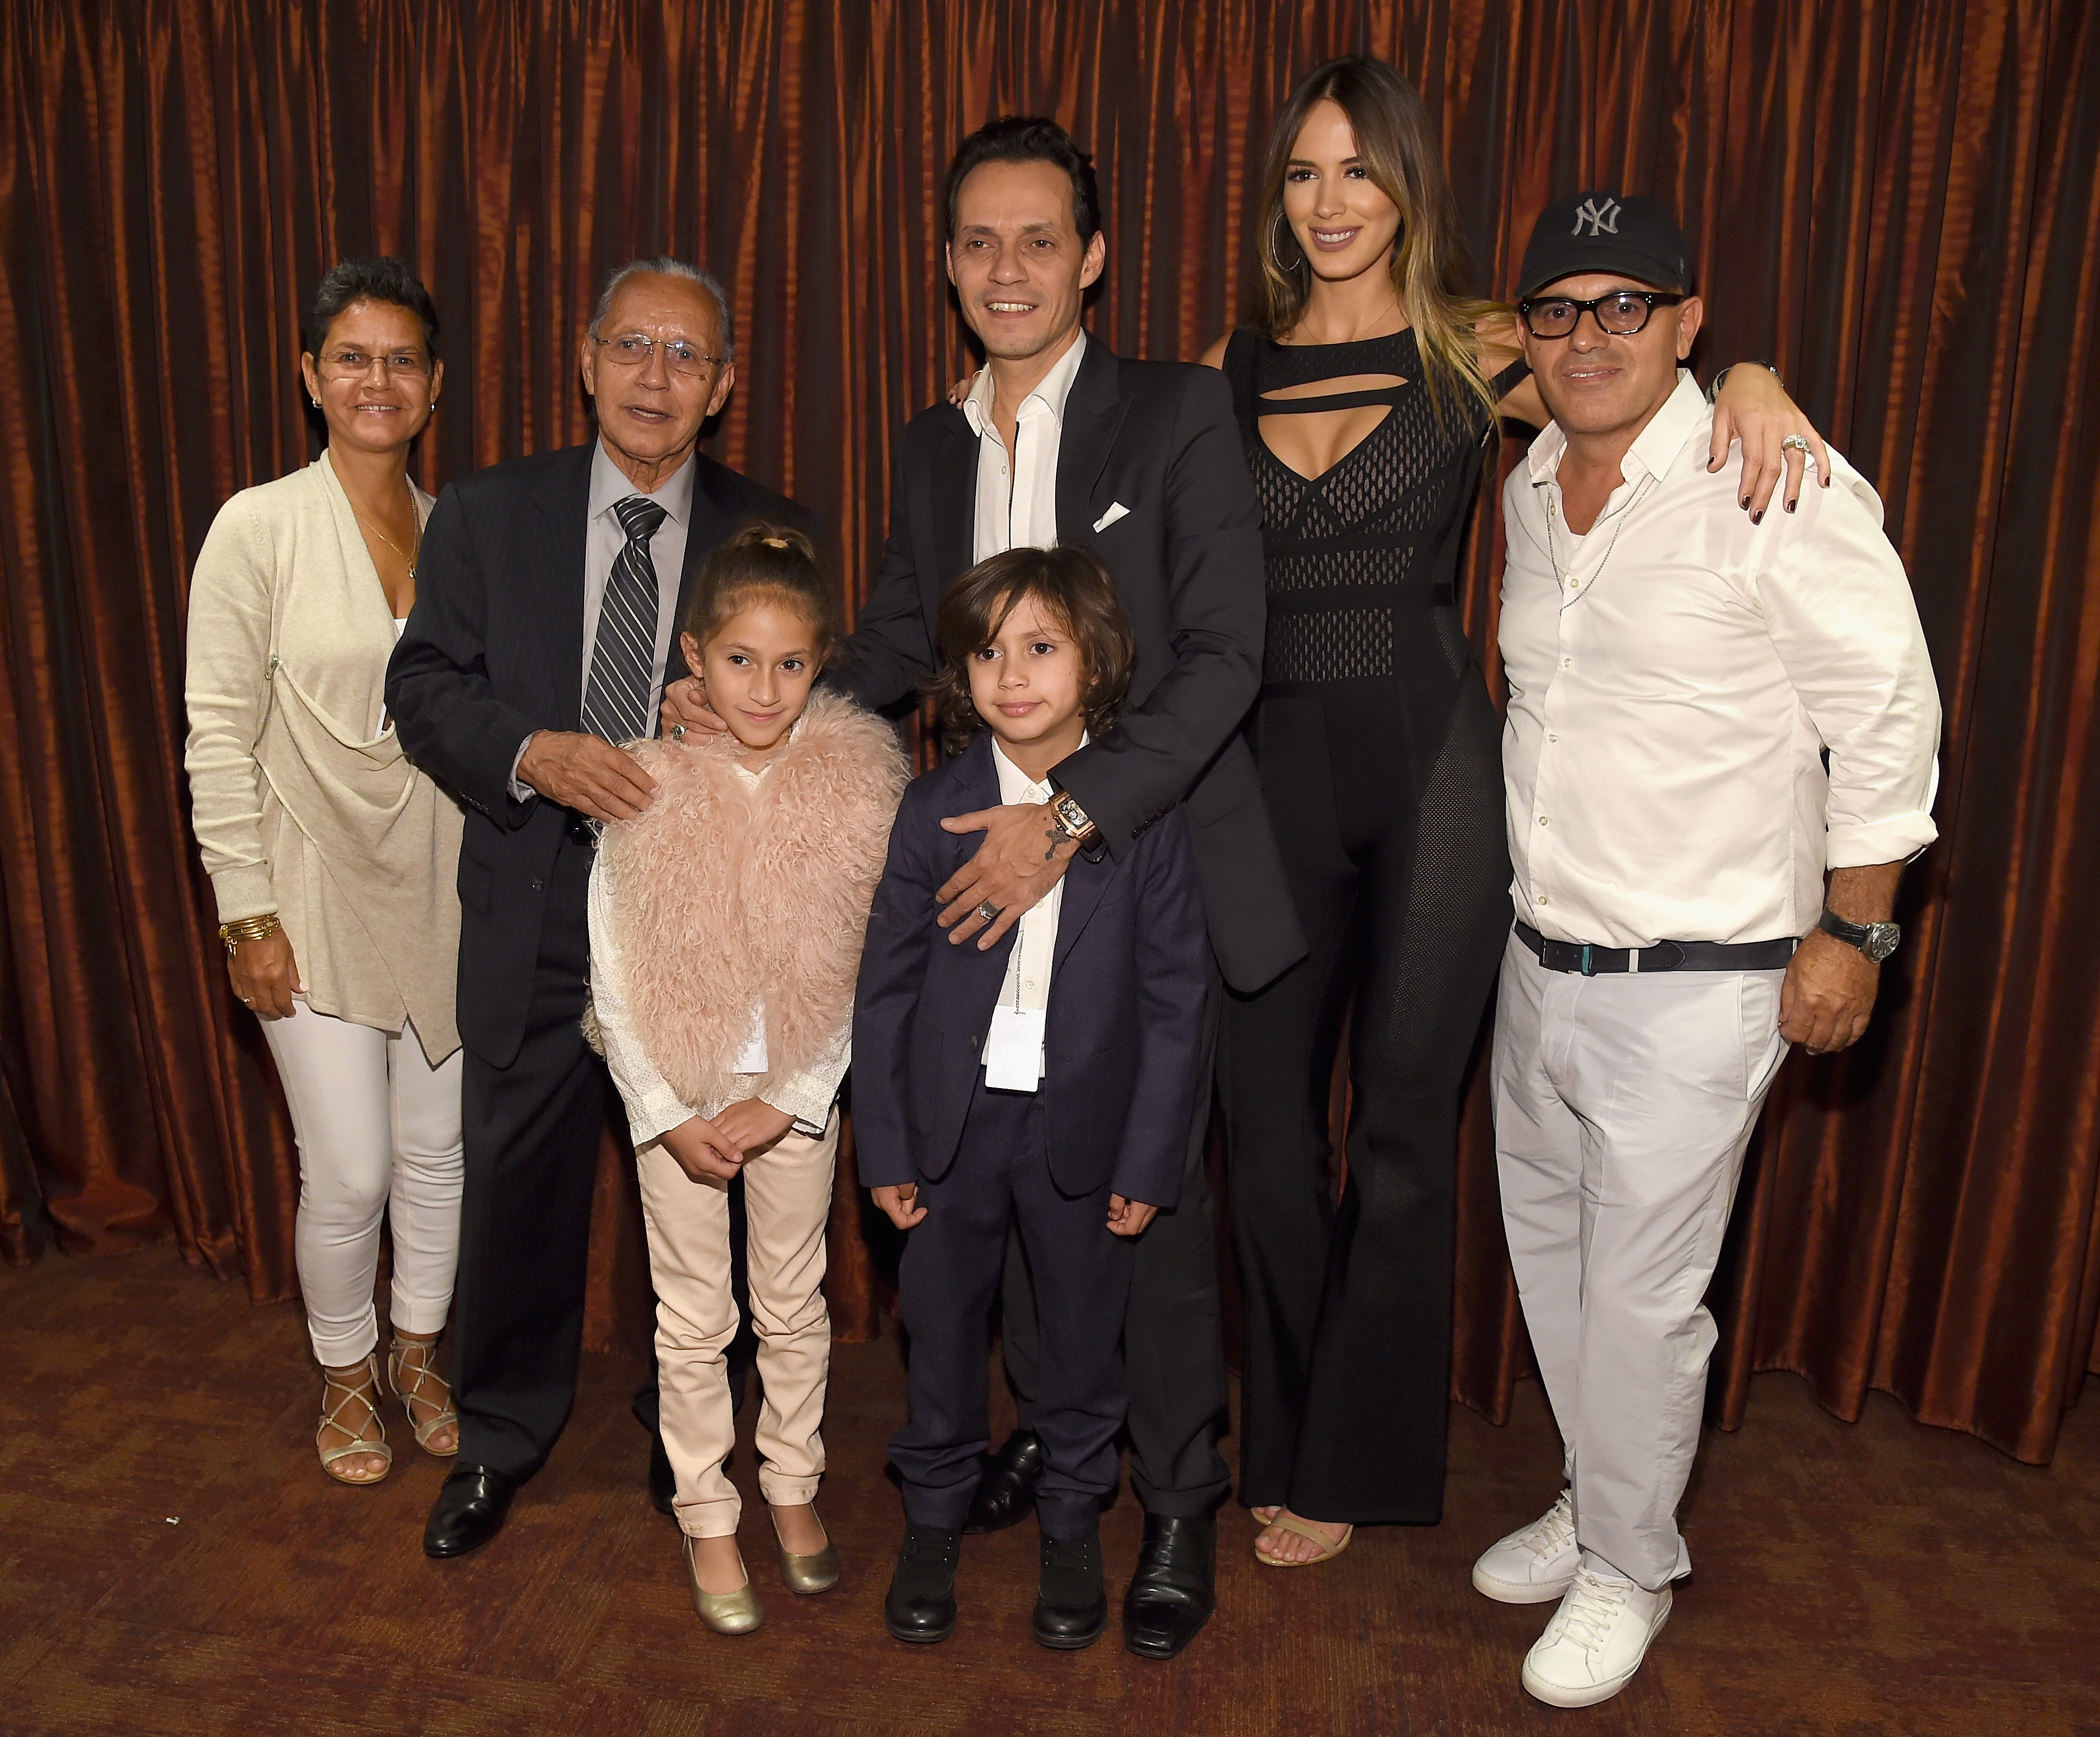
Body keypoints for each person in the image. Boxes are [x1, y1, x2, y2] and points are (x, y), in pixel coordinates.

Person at [664, 116, 1293, 1658]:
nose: (1006, 269)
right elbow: (893, 642)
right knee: (1004, 1192)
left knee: (1149, 1206)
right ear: (946, 265)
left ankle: (1178, 1507)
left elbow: (1222, 659)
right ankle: (1042, 1461)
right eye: (977, 243)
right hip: (975, 883)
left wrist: (1067, 817)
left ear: (1091, 258)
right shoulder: (930, 442)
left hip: (1149, 856)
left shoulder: (1181, 412)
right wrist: (770, 703)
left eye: (1037, 240)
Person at [1198, 54, 1836, 1569]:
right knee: (1268, 1133)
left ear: (1408, 181)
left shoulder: (1481, 343)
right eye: (1303, 172)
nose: (1331, 200)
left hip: (1432, 783)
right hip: (1263, 781)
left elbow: (1648, 370)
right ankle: (1276, 1431)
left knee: (1407, 1129)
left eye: (1358, 168)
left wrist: (1749, 374)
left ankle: (1350, 1460)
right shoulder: (1228, 361)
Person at [1472, 191, 1939, 1707]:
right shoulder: (1535, 476)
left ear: (1689, 323)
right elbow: (1410, 341)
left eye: (1627, 306)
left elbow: (1885, 711)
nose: (1588, 335)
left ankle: (1632, 1564)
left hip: (1708, 977)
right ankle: (1597, 1497)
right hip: (1539, 960)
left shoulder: (1774, 474)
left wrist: (1856, 929)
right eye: (1559, 310)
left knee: (1645, 1298)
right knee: (1555, 1260)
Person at [384, 257, 815, 1559]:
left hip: (703, 930)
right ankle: (502, 1434)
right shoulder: (485, 512)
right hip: (537, 905)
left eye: (687, 357)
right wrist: (531, 751)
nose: (655, 377)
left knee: (704, 1195)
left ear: (723, 386)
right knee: (519, 1182)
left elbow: (816, 714)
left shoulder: (771, 533)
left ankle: (682, 1424)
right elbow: (425, 686)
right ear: (585, 359)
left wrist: (737, 731)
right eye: (632, 347)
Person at [855, 545, 1210, 1651]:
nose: (1011, 674)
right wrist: (886, 1144)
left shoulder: (1138, 816)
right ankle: (931, 1520)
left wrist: (1149, 1165)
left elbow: (1172, 1003)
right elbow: (886, 988)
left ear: (1095, 661)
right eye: (987, 651)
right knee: (944, 1336)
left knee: (1076, 1349)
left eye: (1041, 647)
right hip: (950, 1133)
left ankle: (1068, 1523)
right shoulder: (931, 808)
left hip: (1083, 1137)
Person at [587, 522, 905, 1634]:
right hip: (678, 1093)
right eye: (737, 659)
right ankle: (704, 1503)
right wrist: (666, 1110)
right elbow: (613, 963)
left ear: (819, 665)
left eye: (787, 663)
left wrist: (797, 1093)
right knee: (692, 1312)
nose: (761, 686)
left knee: (789, 1298)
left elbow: (870, 962)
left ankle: (789, 1482)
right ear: (694, 656)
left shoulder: (860, 787)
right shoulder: (650, 783)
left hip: (796, 1095)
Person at [184, 257, 463, 1487]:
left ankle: (418, 1351)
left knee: (437, 1152)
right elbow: (215, 732)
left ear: (434, 382)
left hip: (447, 881)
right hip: (305, 888)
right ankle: (344, 1366)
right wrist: (245, 913)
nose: (376, 380)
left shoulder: (459, 528)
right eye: (351, 357)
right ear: (308, 375)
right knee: (349, 1165)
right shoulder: (257, 525)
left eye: (401, 358)